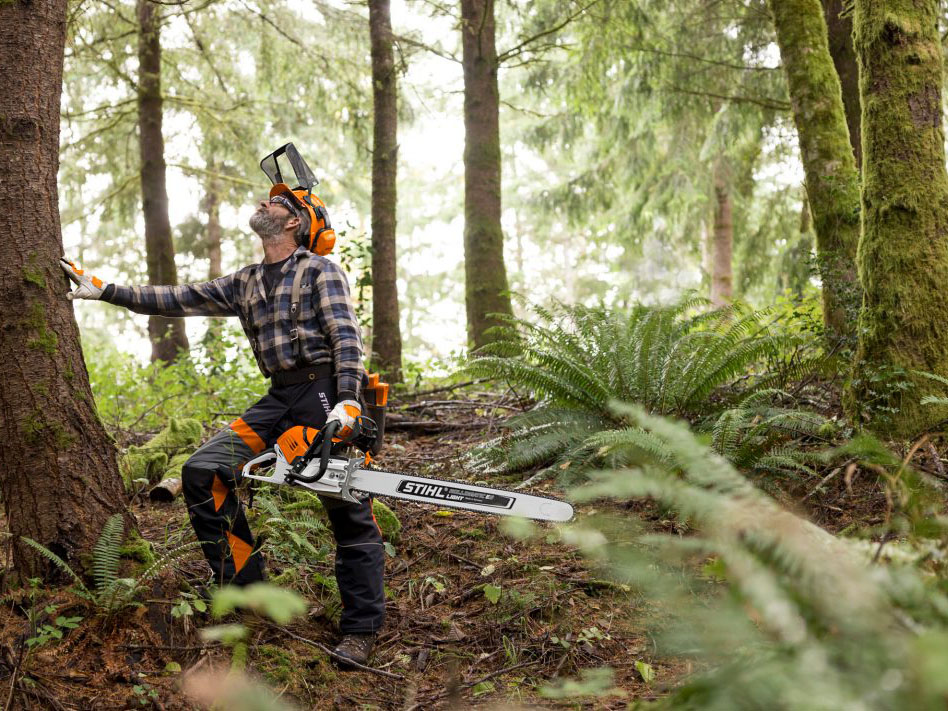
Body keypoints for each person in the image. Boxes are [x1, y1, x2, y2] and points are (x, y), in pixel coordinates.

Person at [60, 189, 385, 666]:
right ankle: (248, 593)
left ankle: (361, 630)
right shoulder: (247, 281)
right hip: (278, 397)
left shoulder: (321, 271)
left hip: (324, 393)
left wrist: (349, 402)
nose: (263, 203)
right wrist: (108, 290)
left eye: (276, 203)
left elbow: (346, 338)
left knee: (347, 506)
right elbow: (178, 297)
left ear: (295, 223)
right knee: (203, 471)